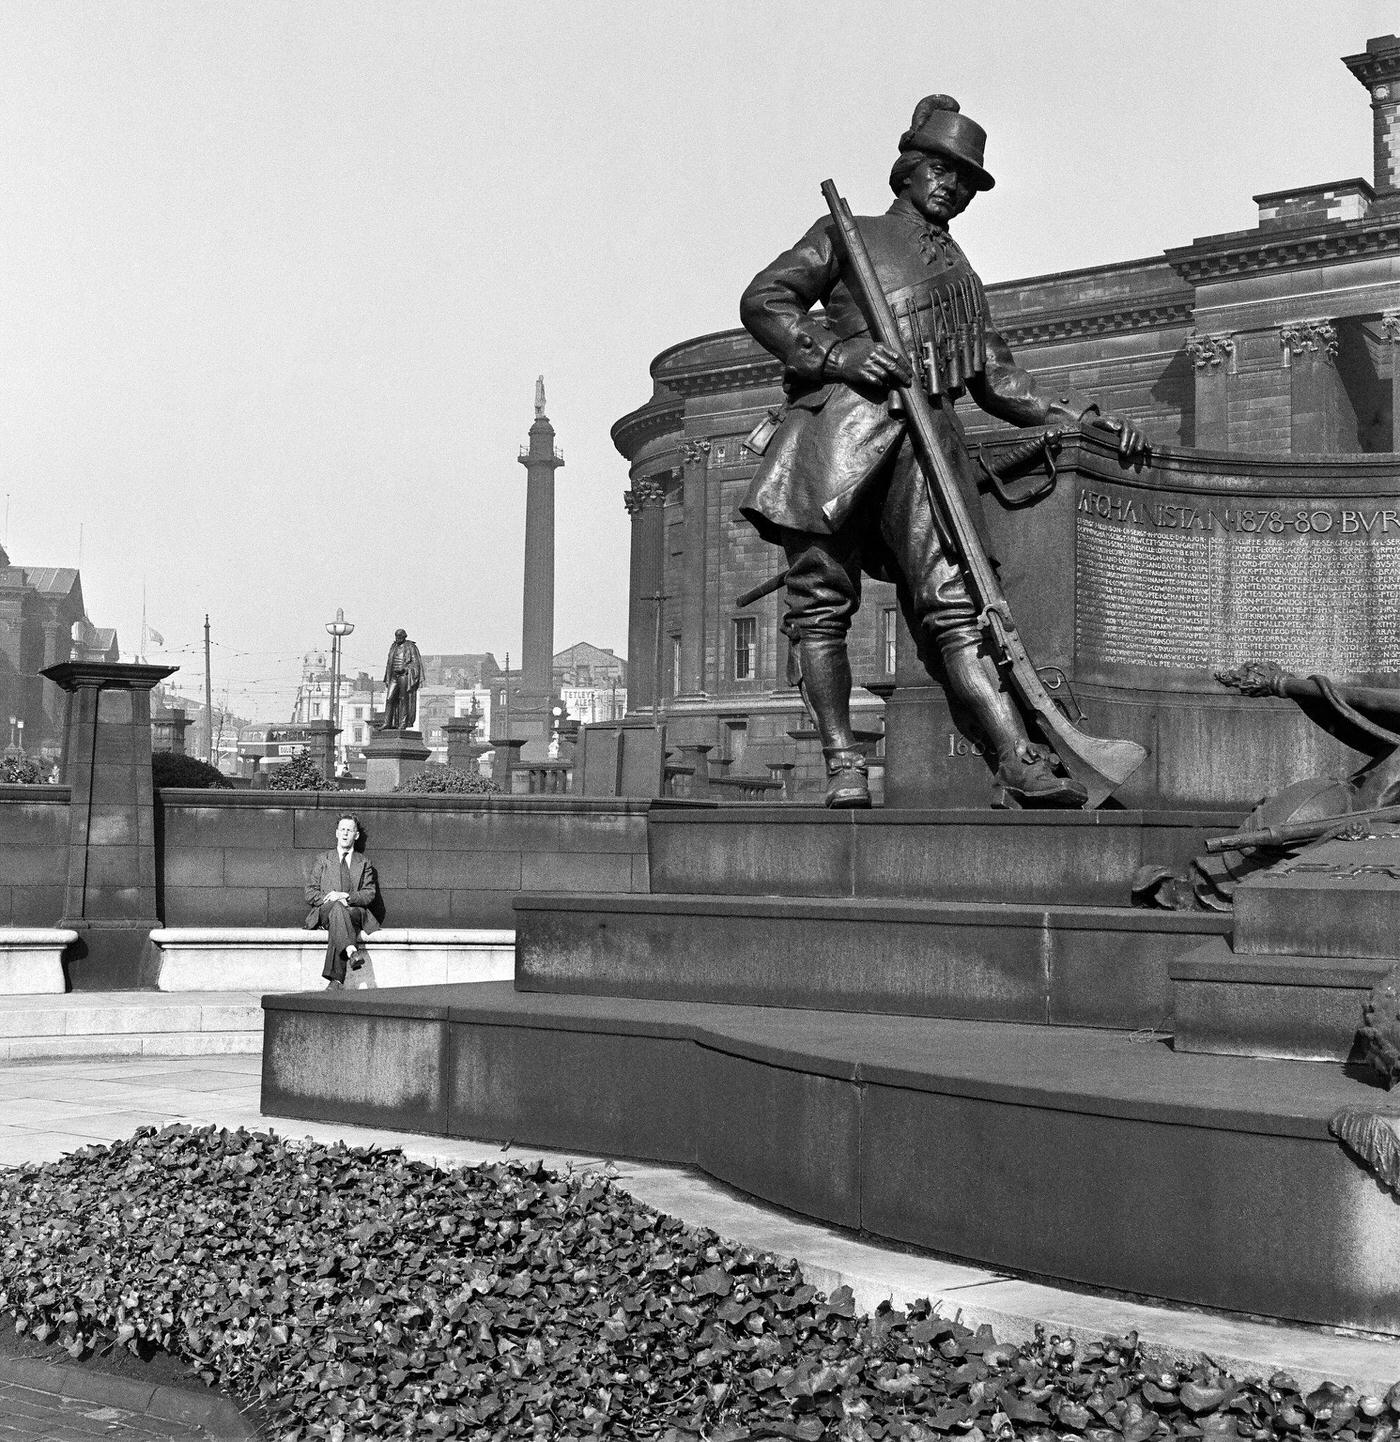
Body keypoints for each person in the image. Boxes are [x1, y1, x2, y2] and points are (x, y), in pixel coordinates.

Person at [739, 94, 1148, 809]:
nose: (952, 186)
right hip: (840, 434)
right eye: (941, 169)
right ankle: (843, 765)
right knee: (820, 602)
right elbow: (764, 299)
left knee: (957, 608)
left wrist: (1086, 421)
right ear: (908, 169)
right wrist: (836, 355)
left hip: (930, 451)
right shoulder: (849, 233)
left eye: (964, 179)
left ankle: (1015, 758)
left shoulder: (962, 279)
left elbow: (998, 379)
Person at [303, 813, 380, 988]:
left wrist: (346, 897)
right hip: (326, 911)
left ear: (356, 835)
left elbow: (369, 894)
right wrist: (330, 898)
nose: (345, 833)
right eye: (342, 830)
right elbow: (309, 893)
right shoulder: (323, 859)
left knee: (340, 914)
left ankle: (336, 980)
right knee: (336, 908)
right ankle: (351, 951)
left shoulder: (364, 862)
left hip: (354, 912)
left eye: (349, 830)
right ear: (337, 833)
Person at [378, 629, 424, 731]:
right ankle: (387, 723)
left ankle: (403, 723)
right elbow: (389, 663)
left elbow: (416, 663)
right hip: (394, 676)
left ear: (404, 637)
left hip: (404, 675)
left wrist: (405, 668)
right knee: (389, 698)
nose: (397, 639)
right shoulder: (393, 646)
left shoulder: (411, 647)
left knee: (404, 699)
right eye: (396, 636)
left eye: (399, 637)